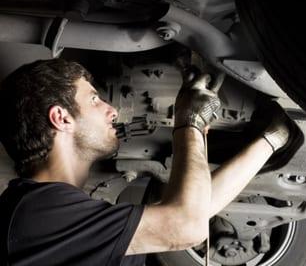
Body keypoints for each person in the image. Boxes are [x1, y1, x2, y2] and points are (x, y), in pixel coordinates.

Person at [0, 58, 290, 265]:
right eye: (93, 100)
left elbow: (196, 212)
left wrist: (271, 141)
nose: (112, 110)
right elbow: (186, 225)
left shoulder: (45, 214)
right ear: (61, 118)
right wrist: (188, 122)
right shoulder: (37, 214)